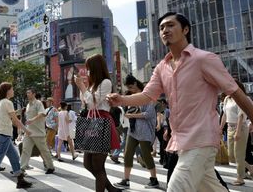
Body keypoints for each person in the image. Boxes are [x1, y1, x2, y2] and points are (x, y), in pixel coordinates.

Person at [107, 12, 253, 192]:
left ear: (185, 29)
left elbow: (236, 91)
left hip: (201, 139)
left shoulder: (204, 59)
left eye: (170, 25)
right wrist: (121, 99)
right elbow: (147, 95)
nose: (164, 31)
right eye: (161, 28)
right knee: (211, 187)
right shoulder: (162, 67)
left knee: (176, 187)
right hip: (181, 142)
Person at [74, 53, 121, 192]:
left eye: (89, 68)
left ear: (95, 68)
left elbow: (93, 103)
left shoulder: (106, 82)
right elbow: (85, 101)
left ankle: (108, 189)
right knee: (88, 164)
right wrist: (82, 87)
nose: (87, 71)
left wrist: (82, 86)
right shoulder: (93, 84)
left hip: (101, 122)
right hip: (92, 122)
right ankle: (111, 189)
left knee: (97, 165)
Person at [113, 75, 160, 189]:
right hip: (133, 130)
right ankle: (126, 180)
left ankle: (154, 180)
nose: (130, 89)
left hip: (144, 131)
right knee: (127, 154)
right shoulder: (132, 97)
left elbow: (148, 114)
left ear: (135, 83)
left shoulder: (146, 95)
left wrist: (132, 115)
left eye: (130, 86)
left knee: (146, 155)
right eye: (128, 88)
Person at [219, 80, 250, 186]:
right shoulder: (227, 98)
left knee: (239, 155)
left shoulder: (242, 97)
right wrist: (220, 128)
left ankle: (240, 177)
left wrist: (238, 131)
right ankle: (250, 167)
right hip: (229, 128)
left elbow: (241, 115)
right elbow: (224, 115)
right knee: (231, 155)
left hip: (240, 128)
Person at [20, 88, 55, 174]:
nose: (27, 94)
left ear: (34, 94)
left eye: (29, 93)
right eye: (27, 93)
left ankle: (50, 166)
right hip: (29, 132)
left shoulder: (38, 103)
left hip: (38, 132)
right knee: (25, 150)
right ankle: (21, 168)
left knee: (44, 150)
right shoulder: (28, 105)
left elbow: (42, 114)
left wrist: (32, 120)